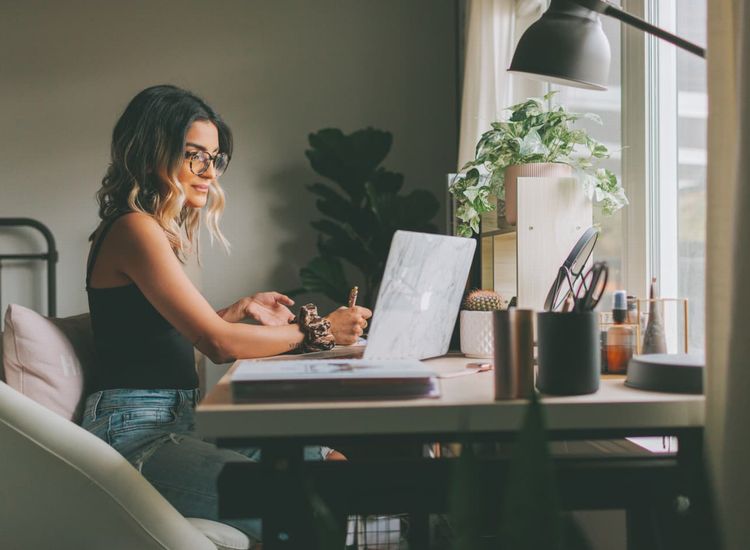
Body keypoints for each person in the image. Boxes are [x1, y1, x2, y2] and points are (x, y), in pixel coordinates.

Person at [80, 84, 372, 542]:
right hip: (137, 435)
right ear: (149, 150)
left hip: (181, 422)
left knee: (325, 460)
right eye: (194, 154)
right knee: (305, 505)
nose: (208, 172)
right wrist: (320, 331)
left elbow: (156, 330)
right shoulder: (135, 228)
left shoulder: (156, 228)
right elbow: (216, 344)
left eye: (214, 158)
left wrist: (236, 311)